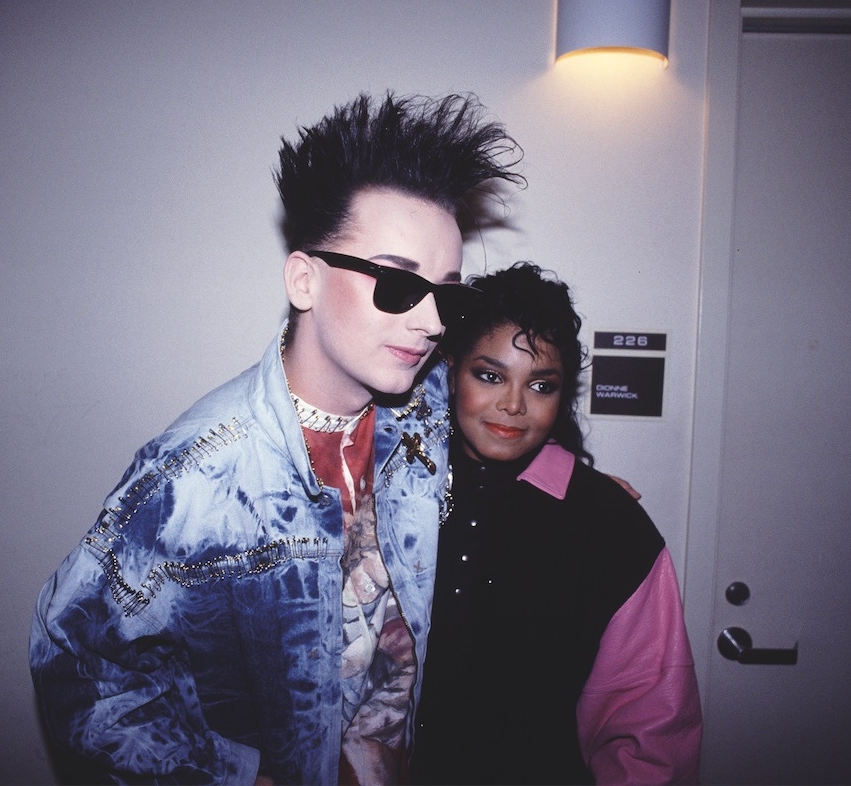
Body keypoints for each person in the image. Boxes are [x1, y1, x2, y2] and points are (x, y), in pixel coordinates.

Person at [29, 92, 523, 785]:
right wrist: (225, 774)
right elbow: (75, 662)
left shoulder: (426, 405)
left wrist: (575, 481)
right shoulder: (198, 476)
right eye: (396, 283)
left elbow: (502, 421)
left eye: (447, 292)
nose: (433, 320)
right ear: (304, 279)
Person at [410, 263, 702, 784]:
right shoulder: (389, 493)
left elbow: (650, 723)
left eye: (540, 385)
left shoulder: (612, 529)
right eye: (490, 375)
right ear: (449, 371)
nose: (513, 404)